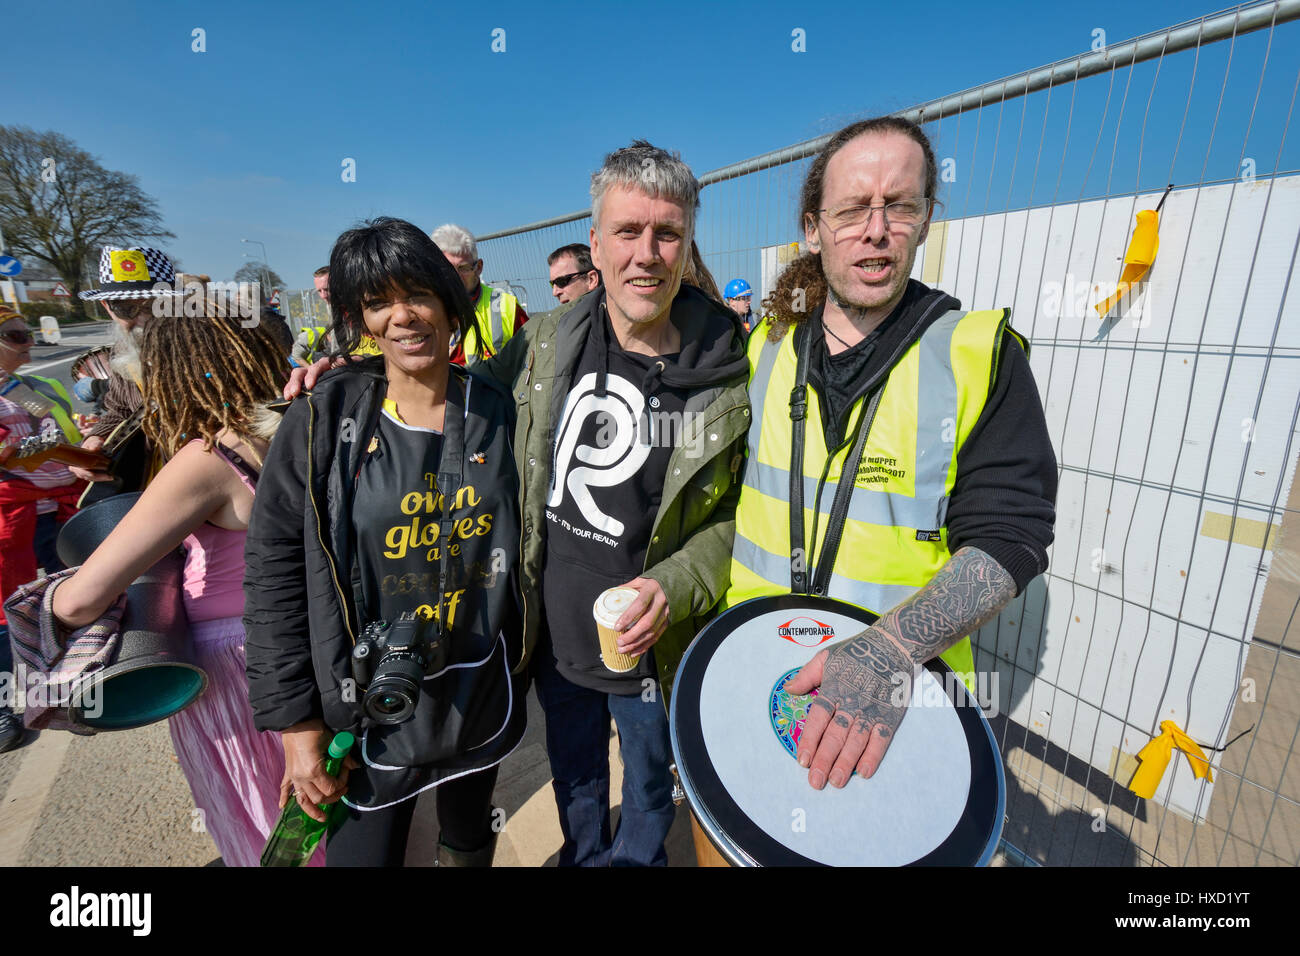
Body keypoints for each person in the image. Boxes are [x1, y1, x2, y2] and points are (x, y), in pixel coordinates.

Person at [722, 115, 1057, 790]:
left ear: (928, 217)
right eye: (851, 210)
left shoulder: (977, 356)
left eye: (899, 206)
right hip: (756, 672)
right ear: (812, 230)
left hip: (897, 704)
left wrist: (892, 648)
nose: (876, 230)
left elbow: (1010, 535)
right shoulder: (766, 350)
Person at [477, 141, 750, 866]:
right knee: (577, 777)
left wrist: (675, 582)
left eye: (667, 234)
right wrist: (354, 384)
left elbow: (740, 517)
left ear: (687, 245)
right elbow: (453, 407)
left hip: (653, 643)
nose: (647, 254)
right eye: (628, 232)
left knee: (653, 787)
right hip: (555, 630)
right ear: (597, 243)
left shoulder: (731, 374)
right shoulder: (541, 344)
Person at [244, 217, 526, 867]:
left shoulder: (494, 405)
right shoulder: (322, 417)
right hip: (366, 709)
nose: (403, 316)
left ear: (449, 300)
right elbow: (273, 572)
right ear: (360, 319)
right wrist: (295, 724)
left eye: (419, 293)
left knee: (467, 841)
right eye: (378, 301)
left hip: (475, 690)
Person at [47, 299, 299, 866]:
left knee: (269, 826)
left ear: (175, 368)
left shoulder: (207, 459)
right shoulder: (310, 427)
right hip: (316, 646)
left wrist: (43, 605)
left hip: (238, 669)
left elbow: (87, 595)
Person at [0, 305, 84, 752]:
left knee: (69, 600)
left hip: (57, 508)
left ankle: (65, 689)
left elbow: (58, 433)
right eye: (16, 336)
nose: (30, 340)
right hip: (7, 515)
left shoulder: (32, 386)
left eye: (27, 332)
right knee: (0, 613)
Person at [68, 246, 184, 490]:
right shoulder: (122, 351)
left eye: (153, 305)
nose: (143, 320)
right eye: (125, 308)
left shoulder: (211, 347)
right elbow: (119, 409)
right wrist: (94, 439)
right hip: (150, 481)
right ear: (106, 306)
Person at [429, 224, 528, 366]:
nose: (455, 276)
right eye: (447, 268)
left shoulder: (507, 307)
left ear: (479, 267)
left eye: (463, 268)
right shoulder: (418, 307)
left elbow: (533, 357)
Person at [292, 266, 336, 366]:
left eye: (327, 289)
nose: (323, 296)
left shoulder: (354, 309)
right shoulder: (331, 308)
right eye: (319, 291)